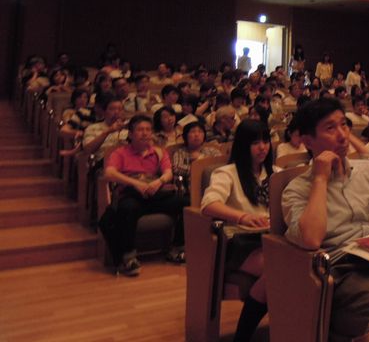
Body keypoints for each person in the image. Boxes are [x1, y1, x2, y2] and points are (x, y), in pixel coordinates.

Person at [282, 98, 369, 342]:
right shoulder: (297, 189)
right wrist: (320, 179)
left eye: (344, 125)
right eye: (330, 128)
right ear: (308, 141)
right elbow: (311, 239)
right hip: (348, 271)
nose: (343, 135)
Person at [201, 119, 272, 342]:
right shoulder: (227, 173)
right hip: (240, 242)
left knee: (292, 269)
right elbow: (208, 205)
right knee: (279, 272)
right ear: (243, 145)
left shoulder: (275, 173)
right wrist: (243, 217)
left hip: (271, 238)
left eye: (266, 141)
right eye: (255, 142)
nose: (263, 147)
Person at [104, 115, 187, 276]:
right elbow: (109, 173)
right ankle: (128, 257)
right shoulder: (120, 153)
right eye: (140, 130)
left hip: (154, 193)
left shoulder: (159, 152)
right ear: (130, 134)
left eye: (148, 130)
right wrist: (135, 183)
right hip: (131, 194)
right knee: (127, 208)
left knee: (186, 203)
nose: (145, 133)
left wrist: (159, 181)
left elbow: (168, 173)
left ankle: (177, 248)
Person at [170, 121, 221, 193]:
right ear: (186, 136)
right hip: (187, 192)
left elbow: (220, 166)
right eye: (192, 132)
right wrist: (200, 166)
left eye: (200, 132)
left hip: (213, 188)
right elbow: (177, 169)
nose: (197, 134)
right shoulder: (180, 153)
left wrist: (201, 158)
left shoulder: (213, 151)